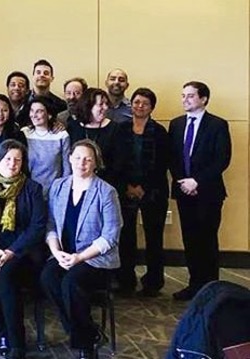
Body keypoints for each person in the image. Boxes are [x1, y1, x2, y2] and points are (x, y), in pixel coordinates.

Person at [40, 139, 122, 359]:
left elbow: (110, 237)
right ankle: (89, 332)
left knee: (71, 282)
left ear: (96, 163)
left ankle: (85, 345)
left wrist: (79, 257)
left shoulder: (106, 192)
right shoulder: (58, 186)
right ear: (69, 159)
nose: (81, 163)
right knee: (48, 277)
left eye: (88, 159)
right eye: (77, 158)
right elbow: (50, 225)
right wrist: (56, 252)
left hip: (95, 259)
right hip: (64, 254)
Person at [0, 139, 46, 359]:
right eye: (8, 159)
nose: (12, 164)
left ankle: (16, 341)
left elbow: (37, 226)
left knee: (6, 278)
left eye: (17, 160)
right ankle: (3, 331)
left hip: (22, 252)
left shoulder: (32, 188)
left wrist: (12, 251)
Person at [168, 81, 231, 301]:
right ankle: (194, 285)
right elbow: (173, 158)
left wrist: (197, 181)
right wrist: (183, 182)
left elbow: (222, 159)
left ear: (203, 99)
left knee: (207, 240)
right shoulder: (176, 124)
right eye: (183, 95)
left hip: (209, 193)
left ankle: (210, 290)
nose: (185, 99)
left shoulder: (218, 125)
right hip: (183, 191)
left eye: (190, 96)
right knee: (190, 240)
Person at [115, 88, 169, 297]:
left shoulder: (160, 131)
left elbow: (162, 163)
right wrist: (127, 186)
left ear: (152, 107)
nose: (139, 106)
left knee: (154, 238)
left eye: (145, 103)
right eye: (136, 102)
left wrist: (143, 187)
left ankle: (153, 282)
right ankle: (126, 281)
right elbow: (116, 161)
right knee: (126, 237)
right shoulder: (121, 129)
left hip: (153, 190)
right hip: (125, 190)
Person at [66, 88, 122, 185]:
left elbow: (119, 163)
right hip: (77, 182)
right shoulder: (73, 127)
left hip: (107, 183)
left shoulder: (115, 128)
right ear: (88, 106)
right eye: (101, 104)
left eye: (106, 104)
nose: (105, 108)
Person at [22, 97, 71, 198]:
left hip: (55, 192)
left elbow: (67, 168)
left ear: (49, 115)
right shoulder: (24, 133)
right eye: (32, 111)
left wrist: (64, 190)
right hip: (28, 192)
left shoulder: (61, 135)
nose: (34, 115)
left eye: (39, 111)